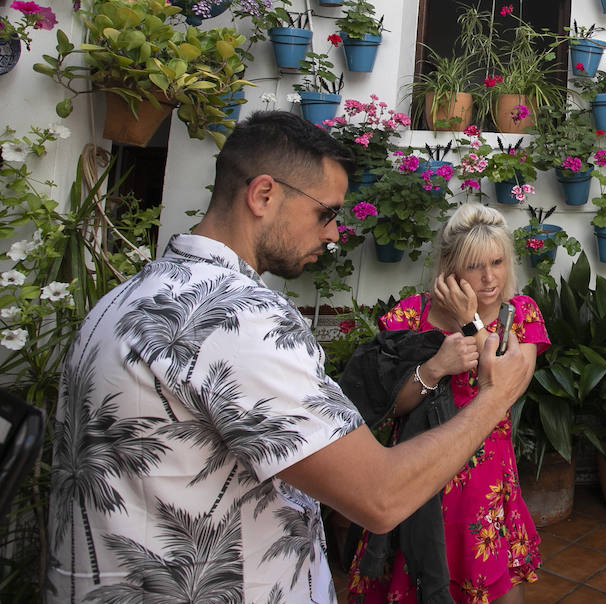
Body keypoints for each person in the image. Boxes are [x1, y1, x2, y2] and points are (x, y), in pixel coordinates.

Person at [44, 111, 534, 603]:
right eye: (326, 213)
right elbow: (380, 496)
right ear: (263, 195)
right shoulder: (241, 323)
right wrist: (496, 396)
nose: (334, 233)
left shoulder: (120, 301)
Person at [344, 205, 547, 604]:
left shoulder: (520, 313)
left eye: (497, 262)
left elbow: (506, 384)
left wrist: (470, 321)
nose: (490, 277)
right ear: (450, 267)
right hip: (418, 474)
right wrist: (435, 367)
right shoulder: (410, 315)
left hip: (486, 484)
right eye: (475, 266)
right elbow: (390, 407)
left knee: (494, 584)